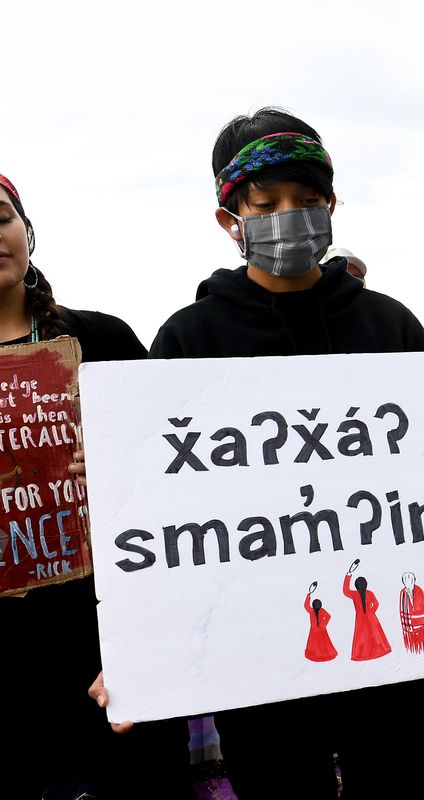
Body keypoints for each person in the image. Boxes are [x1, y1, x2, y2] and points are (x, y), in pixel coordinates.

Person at [143, 107, 424, 799]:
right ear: (230, 218)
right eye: (269, 203)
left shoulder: (390, 323)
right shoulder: (190, 339)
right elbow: (159, 505)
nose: (291, 216)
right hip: (260, 652)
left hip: (392, 653)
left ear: (333, 206)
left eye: (309, 202)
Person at [0, 172, 194, 799]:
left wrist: (125, 465)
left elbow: (183, 486)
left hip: (108, 646)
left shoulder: (103, 341)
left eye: (1, 216)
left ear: (27, 232)